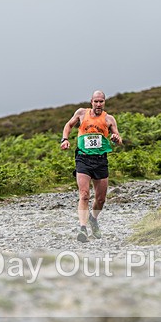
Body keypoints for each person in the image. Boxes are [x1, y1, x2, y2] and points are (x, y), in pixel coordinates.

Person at [60, 90, 122, 242]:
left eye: (101, 101)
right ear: (91, 102)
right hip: (83, 159)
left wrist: (116, 138)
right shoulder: (81, 113)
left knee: (100, 199)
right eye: (96, 101)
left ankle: (93, 219)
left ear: (104, 102)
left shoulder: (109, 119)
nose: (98, 104)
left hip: (101, 160)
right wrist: (65, 139)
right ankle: (82, 228)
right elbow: (68, 125)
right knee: (84, 195)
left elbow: (119, 140)